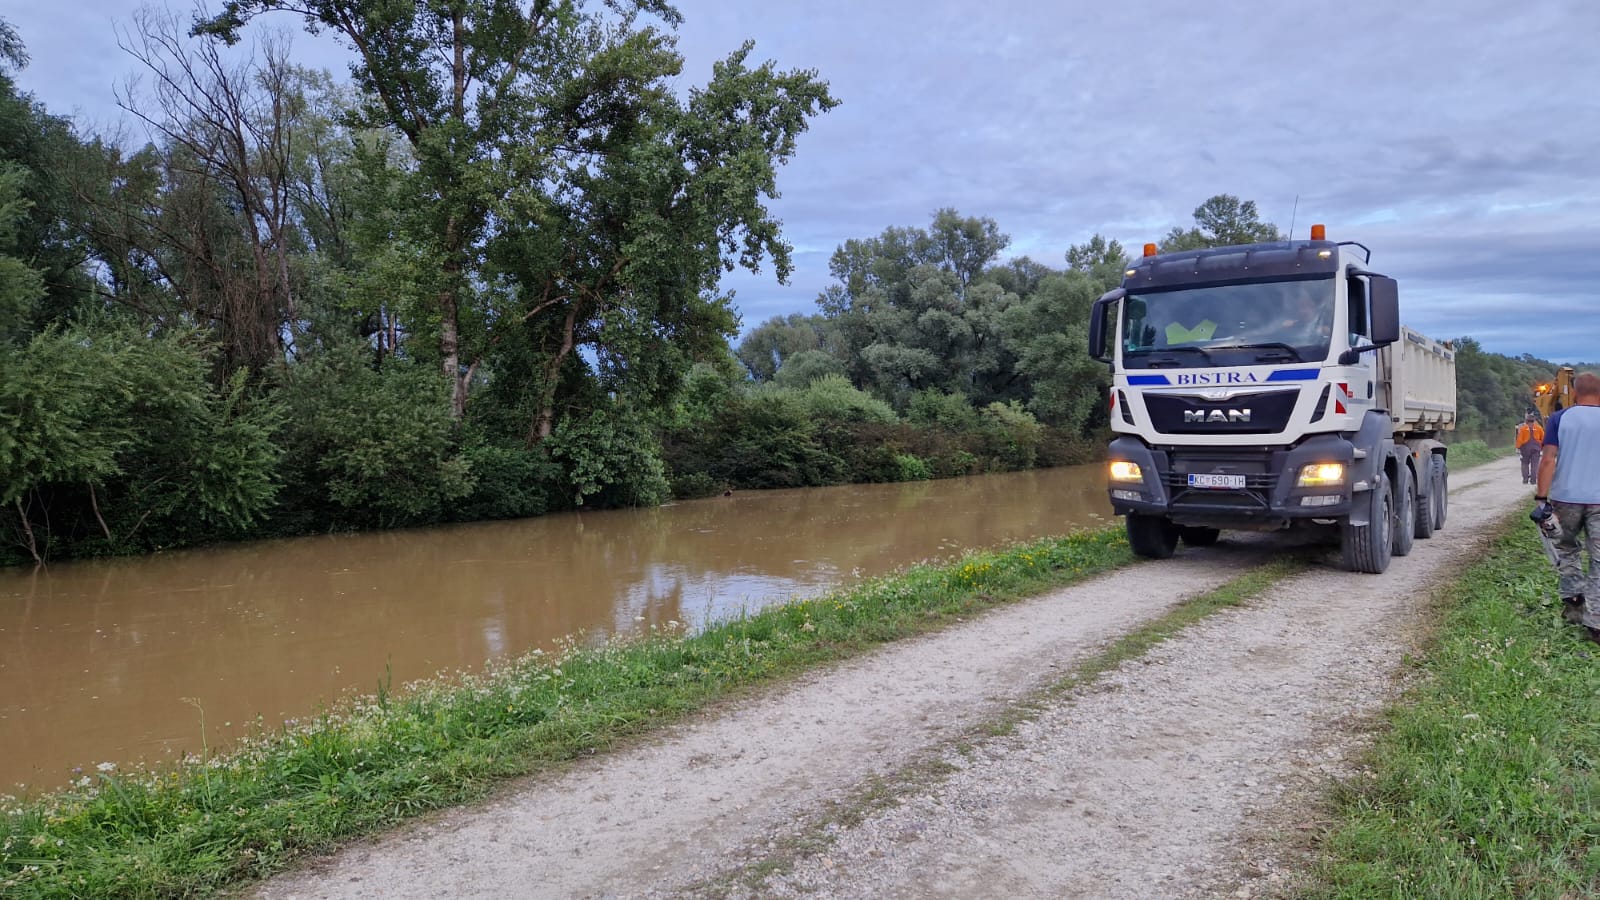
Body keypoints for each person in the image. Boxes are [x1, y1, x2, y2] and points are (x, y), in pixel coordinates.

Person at [1532, 371, 1600, 642]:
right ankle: (1596, 623)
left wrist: (1541, 497)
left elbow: (1548, 459)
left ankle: (1573, 606)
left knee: (1568, 550)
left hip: (1566, 499)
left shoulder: (1560, 419)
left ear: (1574, 392)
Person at [1515, 412, 1545, 484]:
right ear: (1534, 421)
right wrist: (1542, 447)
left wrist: (1518, 447)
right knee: (1535, 464)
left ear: (1526, 421)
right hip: (1536, 448)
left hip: (1525, 449)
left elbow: (1519, 439)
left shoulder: (1523, 428)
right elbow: (1543, 438)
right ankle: (1533, 480)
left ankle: (1525, 479)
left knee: (1524, 463)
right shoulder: (1539, 428)